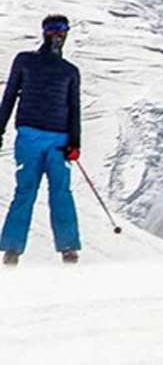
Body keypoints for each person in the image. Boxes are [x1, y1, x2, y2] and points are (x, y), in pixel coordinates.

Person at [0, 15, 82, 266]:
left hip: (60, 139)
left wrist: (75, 142)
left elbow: (74, 107)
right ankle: (12, 250)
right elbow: (10, 95)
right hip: (29, 136)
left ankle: (68, 249)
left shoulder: (70, 71)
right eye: (52, 29)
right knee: (25, 190)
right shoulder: (25, 61)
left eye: (62, 29)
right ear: (43, 31)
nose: (57, 34)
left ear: (67, 33)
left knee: (61, 192)